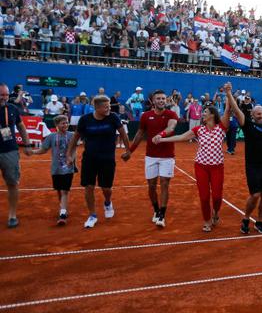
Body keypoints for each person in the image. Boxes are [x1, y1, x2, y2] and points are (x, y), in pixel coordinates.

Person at [155, 90, 231, 232]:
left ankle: (216, 213)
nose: (203, 114)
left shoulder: (221, 128)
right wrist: (162, 139)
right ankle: (207, 220)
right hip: (201, 166)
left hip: (217, 167)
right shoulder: (198, 129)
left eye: (205, 112)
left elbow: (227, 110)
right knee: (203, 197)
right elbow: (180, 137)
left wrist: (228, 93)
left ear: (213, 115)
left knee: (216, 196)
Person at [66, 95, 131, 228]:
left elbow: (123, 134)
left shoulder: (113, 117)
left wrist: (128, 150)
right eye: (105, 107)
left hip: (107, 159)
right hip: (89, 159)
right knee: (89, 187)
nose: (108, 109)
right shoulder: (85, 119)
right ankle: (92, 215)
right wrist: (69, 155)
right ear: (96, 107)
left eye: (109, 106)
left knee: (106, 188)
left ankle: (107, 202)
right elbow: (75, 138)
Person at [225, 80, 262, 234]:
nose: (261, 116)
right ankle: (246, 218)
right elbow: (236, 110)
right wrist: (228, 93)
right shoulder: (247, 125)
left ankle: (260, 221)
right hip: (253, 166)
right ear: (252, 115)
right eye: (258, 114)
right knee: (255, 195)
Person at [123, 89, 179, 227]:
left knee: (165, 184)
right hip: (151, 156)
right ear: (153, 101)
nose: (161, 101)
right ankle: (156, 210)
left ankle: (162, 214)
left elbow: (171, 127)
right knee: (152, 186)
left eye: (163, 99)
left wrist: (162, 134)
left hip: (167, 156)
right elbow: (139, 133)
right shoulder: (146, 116)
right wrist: (130, 151)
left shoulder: (171, 114)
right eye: (158, 99)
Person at [30, 115, 76, 225]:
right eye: (63, 123)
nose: (65, 125)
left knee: (65, 190)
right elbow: (43, 149)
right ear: (57, 125)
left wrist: (71, 159)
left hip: (68, 168)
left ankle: (63, 213)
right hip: (56, 168)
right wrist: (33, 152)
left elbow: (74, 149)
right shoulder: (51, 137)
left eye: (66, 123)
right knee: (59, 190)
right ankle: (62, 207)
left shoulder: (72, 135)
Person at [0, 83, 31, 228]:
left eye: (5, 94)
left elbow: (21, 127)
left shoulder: (12, 108)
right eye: (1, 94)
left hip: (9, 151)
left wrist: (27, 145)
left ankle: (12, 215)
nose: (4, 97)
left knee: (12, 183)